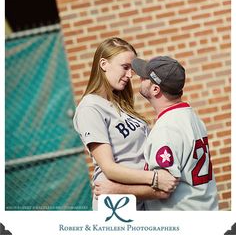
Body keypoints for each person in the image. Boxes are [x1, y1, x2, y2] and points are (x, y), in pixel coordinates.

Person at [95, 55, 219, 210]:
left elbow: (164, 189)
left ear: (155, 89)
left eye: (144, 77)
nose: (138, 78)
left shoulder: (166, 129)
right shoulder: (191, 116)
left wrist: (116, 190)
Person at [73, 38, 178, 210]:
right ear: (104, 64)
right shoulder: (89, 108)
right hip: (116, 205)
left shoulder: (120, 104)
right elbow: (109, 169)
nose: (130, 75)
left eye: (131, 69)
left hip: (141, 197)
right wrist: (155, 178)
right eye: (125, 67)